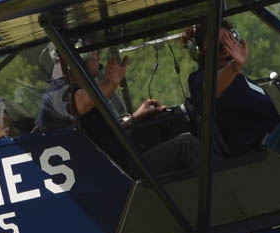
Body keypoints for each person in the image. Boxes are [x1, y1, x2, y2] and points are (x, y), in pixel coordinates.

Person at [38, 48, 199, 176]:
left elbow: (103, 135)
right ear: (79, 55)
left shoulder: (74, 90)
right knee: (187, 145)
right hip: (117, 173)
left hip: (118, 166)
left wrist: (134, 118)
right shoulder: (56, 95)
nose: (97, 55)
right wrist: (112, 82)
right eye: (92, 52)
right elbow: (84, 102)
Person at [184, 21, 280, 156]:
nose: (226, 51)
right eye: (218, 46)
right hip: (260, 152)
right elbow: (210, 91)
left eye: (230, 41)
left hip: (276, 140)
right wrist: (235, 67)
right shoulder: (199, 78)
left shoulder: (238, 78)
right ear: (201, 51)